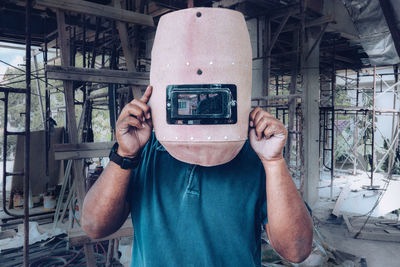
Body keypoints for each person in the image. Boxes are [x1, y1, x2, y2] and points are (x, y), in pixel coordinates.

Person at [82, 84, 313, 266]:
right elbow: (94, 226)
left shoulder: (255, 150)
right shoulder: (144, 148)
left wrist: (273, 162)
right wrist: (125, 153)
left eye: (210, 97)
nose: (200, 105)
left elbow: (297, 249)